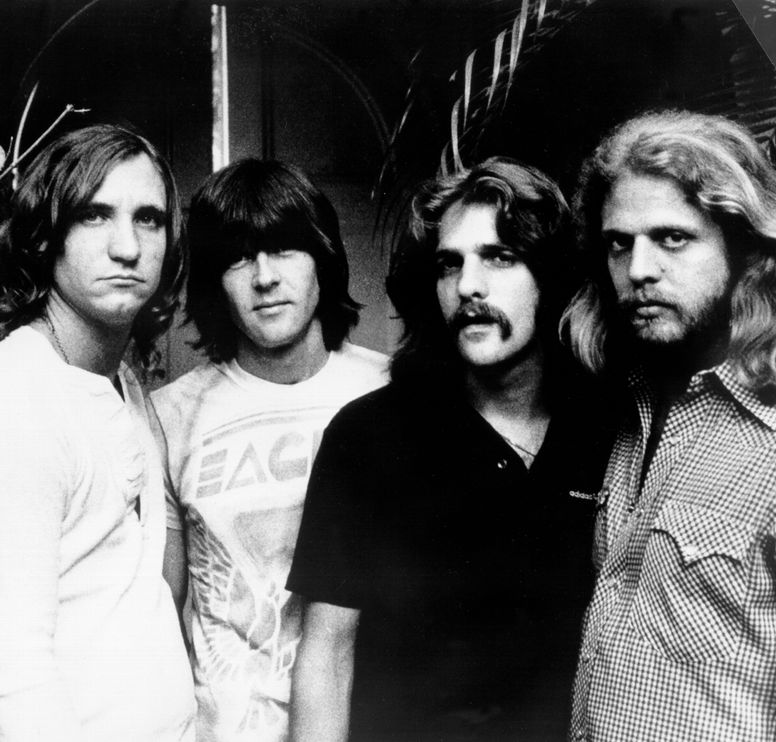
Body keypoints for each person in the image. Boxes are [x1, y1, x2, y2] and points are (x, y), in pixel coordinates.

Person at [287, 157, 613, 741]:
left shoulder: (607, 429)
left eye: (500, 257)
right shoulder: (369, 437)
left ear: (552, 275)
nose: (469, 286)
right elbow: (326, 656)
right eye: (449, 264)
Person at [0, 124, 196, 741]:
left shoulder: (119, 378)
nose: (128, 247)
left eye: (149, 219)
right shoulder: (15, 393)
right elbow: (14, 669)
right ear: (44, 236)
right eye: (94, 216)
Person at [152, 159, 388, 742]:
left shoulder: (388, 393)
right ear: (213, 280)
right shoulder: (168, 415)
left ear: (322, 259)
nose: (263, 277)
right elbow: (159, 609)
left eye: (284, 249)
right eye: (236, 257)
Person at [562, 110, 776, 741]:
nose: (639, 270)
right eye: (618, 243)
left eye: (673, 238)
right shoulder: (629, 411)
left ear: (744, 249)